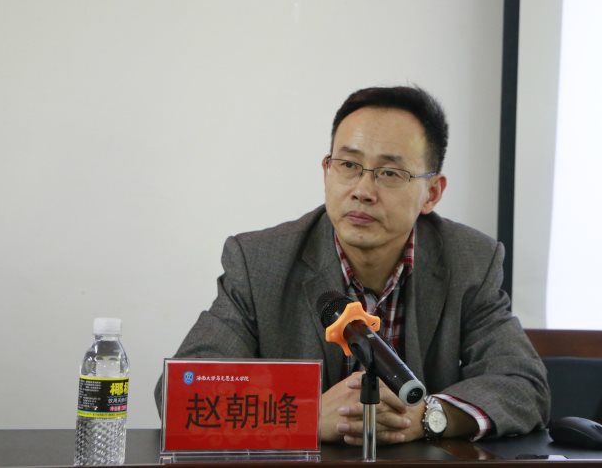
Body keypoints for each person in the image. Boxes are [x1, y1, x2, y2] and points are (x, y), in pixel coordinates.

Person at [155, 86, 550, 444]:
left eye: (389, 173)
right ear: (327, 171)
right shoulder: (260, 263)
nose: (362, 190)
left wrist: (430, 416)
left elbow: (523, 385)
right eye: (348, 165)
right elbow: (182, 392)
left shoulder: (469, 261)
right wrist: (304, 415)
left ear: (431, 193)